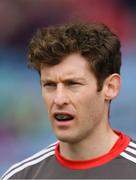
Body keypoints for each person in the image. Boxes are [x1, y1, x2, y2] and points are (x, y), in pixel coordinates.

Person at [2, 22, 136, 179]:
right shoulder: (20, 177)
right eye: (50, 85)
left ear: (110, 87)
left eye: (73, 84)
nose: (59, 99)